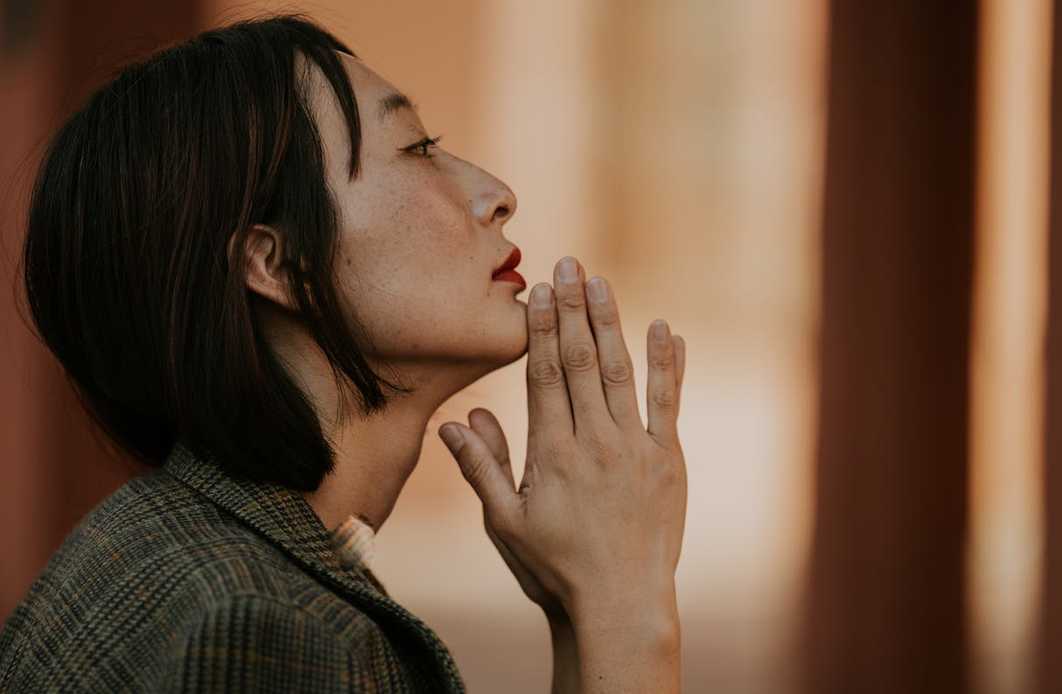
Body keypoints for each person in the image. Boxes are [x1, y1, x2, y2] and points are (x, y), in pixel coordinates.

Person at [0, 13, 688, 694]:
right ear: (279, 265)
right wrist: (631, 613)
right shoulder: (265, 627)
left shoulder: (171, 544)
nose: (497, 195)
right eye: (418, 148)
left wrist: (581, 609)